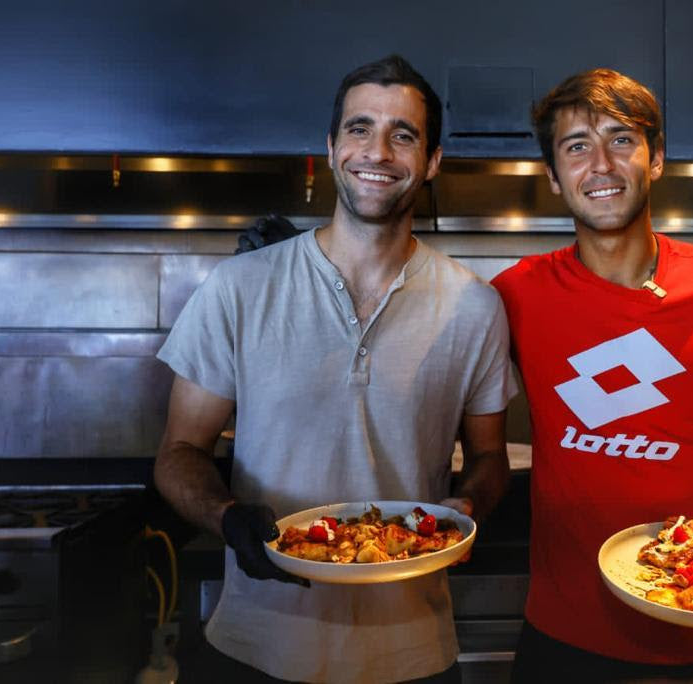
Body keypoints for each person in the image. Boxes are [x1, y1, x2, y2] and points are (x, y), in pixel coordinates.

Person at [155, 54, 516, 683]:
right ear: (330, 147)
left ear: (431, 161)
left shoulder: (475, 306)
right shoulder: (239, 288)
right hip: (256, 646)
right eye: (359, 128)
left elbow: (489, 458)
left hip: (414, 654)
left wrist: (467, 507)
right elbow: (180, 449)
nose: (377, 151)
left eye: (403, 135)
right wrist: (226, 517)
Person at [489, 69, 693, 682]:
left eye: (622, 140)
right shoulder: (514, 294)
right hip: (560, 635)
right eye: (577, 147)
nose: (602, 165)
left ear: (657, 159)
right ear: (554, 177)